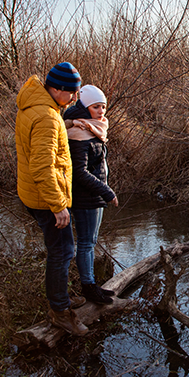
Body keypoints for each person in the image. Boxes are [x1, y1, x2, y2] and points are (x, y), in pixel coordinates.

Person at [15, 62, 88, 335]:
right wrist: (58, 205)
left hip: (31, 193)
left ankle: (62, 298)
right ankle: (60, 312)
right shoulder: (46, 117)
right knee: (62, 252)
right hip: (46, 197)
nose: (75, 98)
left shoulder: (35, 106)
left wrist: (64, 122)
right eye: (72, 93)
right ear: (56, 89)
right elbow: (42, 166)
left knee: (60, 250)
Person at [63, 84, 118, 305]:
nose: (101, 111)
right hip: (86, 197)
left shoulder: (93, 128)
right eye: (96, 107)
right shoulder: (78, 133)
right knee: (86, 243)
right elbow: (79, 172)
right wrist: (106, 191)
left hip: (94, 196)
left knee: (90, 242)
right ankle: (89, 288)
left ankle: (92, 285)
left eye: (103, 107)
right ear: (85, 108)